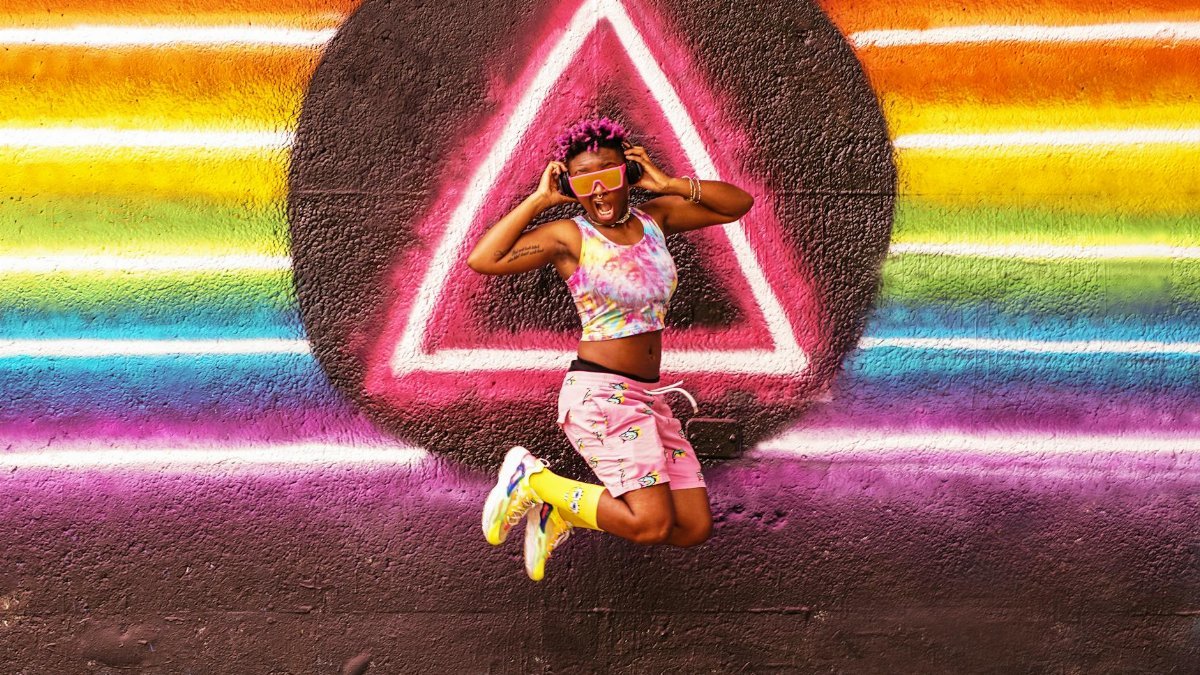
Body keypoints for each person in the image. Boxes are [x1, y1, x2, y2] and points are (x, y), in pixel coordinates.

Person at [467, 117, 754, 580]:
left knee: (692, 526)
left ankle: (563, 510)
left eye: (607, 175)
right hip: (601, 396)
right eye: (583, 180)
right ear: (570, 183)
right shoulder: (570, 236)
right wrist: (540, 200)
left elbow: (739, 204)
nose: (597, 191)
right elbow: (485, 259)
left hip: (648, 398)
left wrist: (669, 183)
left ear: (628, 173)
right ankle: (533, 479)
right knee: (650, 524)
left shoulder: (656, 218)